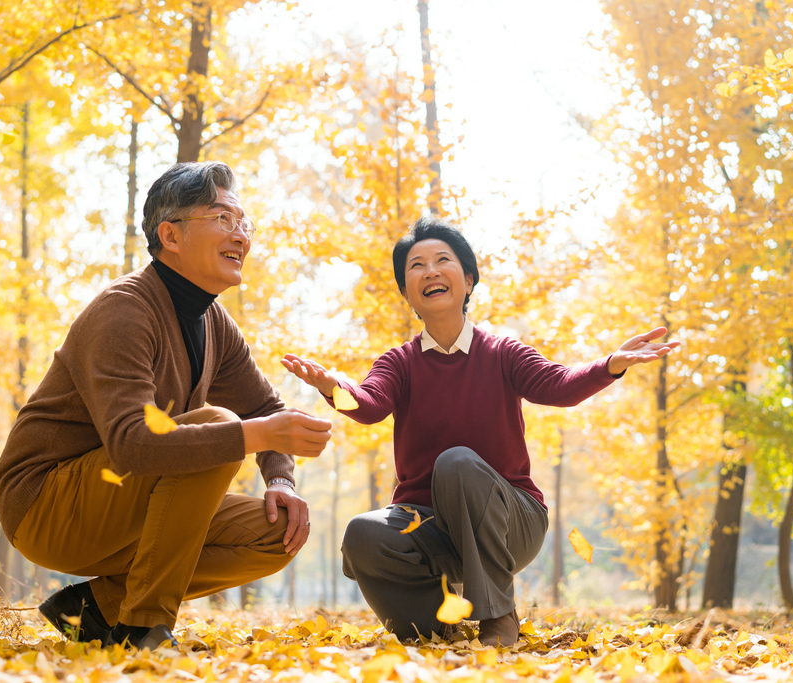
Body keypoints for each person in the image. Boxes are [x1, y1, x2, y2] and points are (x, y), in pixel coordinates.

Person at [282, 217, 678, 646]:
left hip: (510, 521)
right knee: (363, 532)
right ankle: (434, 628)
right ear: (406, 292)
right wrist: (331, 386)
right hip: (427, 527)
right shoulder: (400, 362)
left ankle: (498, 620)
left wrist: (611, 365)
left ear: (468, 280)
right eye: (416, 266)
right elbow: (369, 405)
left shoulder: (503, 353)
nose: (430, 271)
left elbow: (559, 387)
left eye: (442, 260)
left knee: (456, 463)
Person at [0, 162, 332, 650]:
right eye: (222, 219)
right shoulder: (123, 310)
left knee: (276, 532)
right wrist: (255, 435)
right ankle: (142, 630)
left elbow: (263, 404)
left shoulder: (215, 322)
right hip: (48, 505)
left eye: (244, 223)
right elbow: (133, 445)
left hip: (125, 504)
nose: (240, 235)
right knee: (219, 426)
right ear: (170, 236)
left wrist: (280, 478)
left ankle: (92, 609)